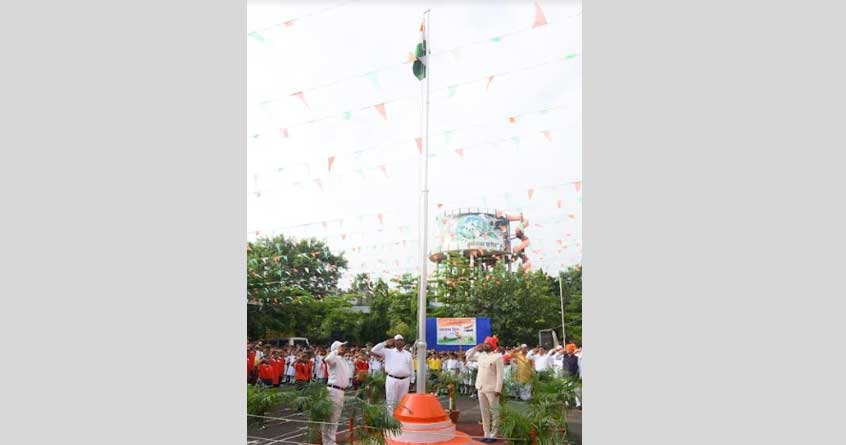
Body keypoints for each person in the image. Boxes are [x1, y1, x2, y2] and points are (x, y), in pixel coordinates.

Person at [465, 336, 504, 443]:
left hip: (492, 389)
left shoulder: (497, 357)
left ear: (492, 345)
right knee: (484, 412)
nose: (485, 345)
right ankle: (486, 433)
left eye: (488, 344)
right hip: (480, 387)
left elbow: (500, 375)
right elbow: (468, 357)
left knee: (495, 412)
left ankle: (493, 435)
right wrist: (475, 348)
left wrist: (498, 389)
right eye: (485, 343)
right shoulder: (480, 355)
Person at [371, 334, 413, 414]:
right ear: (394, 342)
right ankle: (390, 419)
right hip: (392, 379)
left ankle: (400, 418)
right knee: (391, 401)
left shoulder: (408, 354)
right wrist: (385, 343)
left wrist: (412, 380)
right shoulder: (388, 352)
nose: (400, 342)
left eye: (401, 340)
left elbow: (411, 367)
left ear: (403, 342)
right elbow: (374, 350)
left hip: (405, 380)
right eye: (398, 340)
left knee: (403, 401)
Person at [322, 340, 351, 445]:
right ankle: (328, 442)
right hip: (333, 390)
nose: (344, 348)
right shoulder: (334, 358)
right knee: (331, 417)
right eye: (341, 346)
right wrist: (335, 351)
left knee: (335, 417)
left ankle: (330, 441)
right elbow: (327, 359)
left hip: (340, 391)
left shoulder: (342, 359)